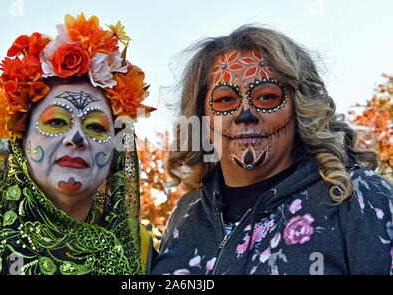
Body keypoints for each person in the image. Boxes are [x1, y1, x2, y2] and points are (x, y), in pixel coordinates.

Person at [151, 25, 392, 275]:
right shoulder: (186, 214)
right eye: (225, 100)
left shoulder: (357, 197)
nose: (245, 114)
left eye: (266, 97)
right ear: (202, 117)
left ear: (300, 108)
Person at [0, 13, 155, 275]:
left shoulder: (139, 248)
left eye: (96, 127)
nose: (76, 139)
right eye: (56, 121)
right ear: (21, 140)